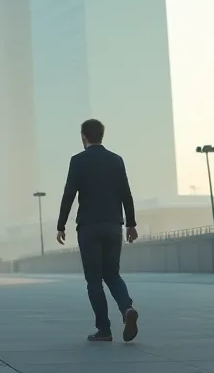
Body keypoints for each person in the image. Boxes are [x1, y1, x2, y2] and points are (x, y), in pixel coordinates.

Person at [55, 118, 140, 342]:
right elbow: (126, 194)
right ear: (102, 135)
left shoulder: (78, 161)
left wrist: (61, 225)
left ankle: (104, 330)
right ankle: (127, 309)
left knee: (94, 280)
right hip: (113, 226)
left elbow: (69, 194)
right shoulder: (116, 160)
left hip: (89, 228)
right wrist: (131, 224)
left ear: (84, 136)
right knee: (112, 274)